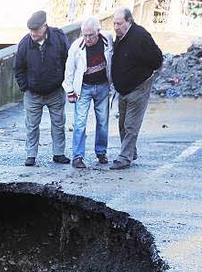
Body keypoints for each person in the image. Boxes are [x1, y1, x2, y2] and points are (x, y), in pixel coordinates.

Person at [15, 10, 70, 167]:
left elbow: (68, 60)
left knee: (58, 124)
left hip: (55, 91)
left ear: (45, 26)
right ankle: (30, 155)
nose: (33, 33)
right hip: (33, 93)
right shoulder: (25, 44)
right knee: (31, 126)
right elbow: (18, 68)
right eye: (31, 30)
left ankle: (59, 153)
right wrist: (25, 87)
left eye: (36, 30)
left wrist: (64, 82)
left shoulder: (59, 38)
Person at [110, 7, 163, 169]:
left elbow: (157, 59)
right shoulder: (119, 36)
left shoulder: (141, 37)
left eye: (119, 23)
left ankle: (125, 157)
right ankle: (131, 151)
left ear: (129, 21)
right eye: (114, 24)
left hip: (139, 86)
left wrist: (142, 73)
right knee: (122, 123)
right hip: (123, 89)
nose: (116, 27)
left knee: (131, 124)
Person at [63, 17, 113, 168]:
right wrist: (70, 90)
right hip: (84, 87)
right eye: (85, 35)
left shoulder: (108, 39)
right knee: (79, 123)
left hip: (103, 86)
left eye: (91, 35)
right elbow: (69, 69)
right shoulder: (77, 47)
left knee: (103, 121)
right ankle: (77, 157)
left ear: (98, 31)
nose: (88, 38)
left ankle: (101, 152)